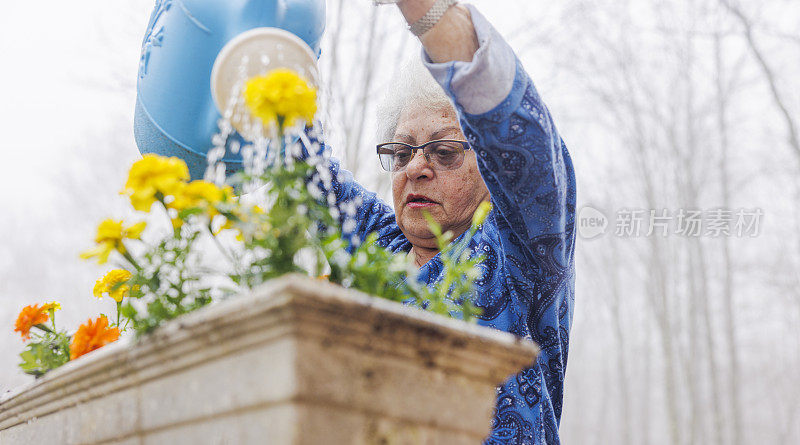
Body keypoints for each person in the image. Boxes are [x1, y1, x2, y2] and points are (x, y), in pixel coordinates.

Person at [315, 1, 577, 443]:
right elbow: (309, 172)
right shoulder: (378, 248)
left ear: (492, 170)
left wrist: (428, 11)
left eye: (445, 151)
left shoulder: (516, 254)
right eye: (401, 153)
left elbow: (522, 140)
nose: (415, 168)